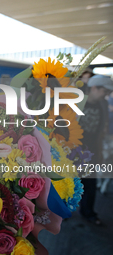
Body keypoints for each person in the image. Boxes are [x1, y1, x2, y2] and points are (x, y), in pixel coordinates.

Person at [78, 74, 113, 225]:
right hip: (72, 150)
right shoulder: (76, 102)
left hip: (91, 150)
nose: (106, 95)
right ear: (94, 88)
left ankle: (88, 212)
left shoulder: (103, 104)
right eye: (104, 91)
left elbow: (102, 128)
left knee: (90, 184)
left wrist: (98, 150)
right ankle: (63, 212)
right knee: (68, 183)